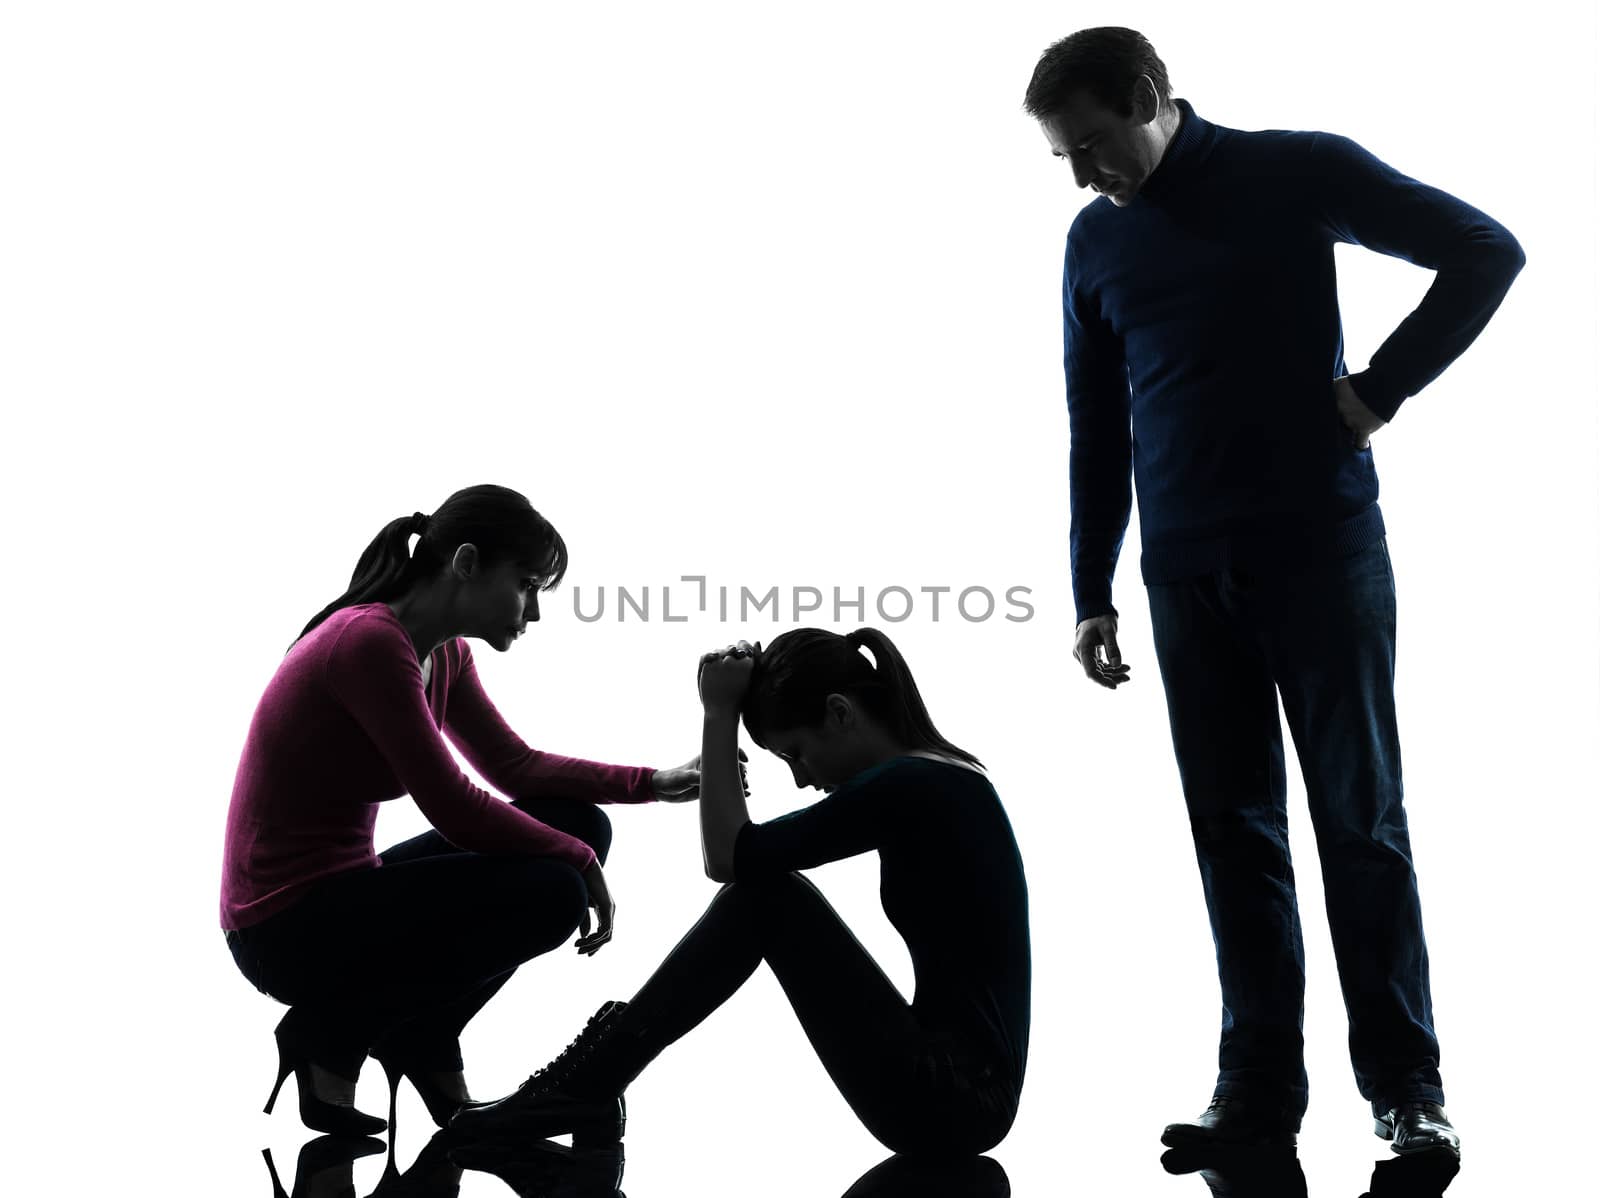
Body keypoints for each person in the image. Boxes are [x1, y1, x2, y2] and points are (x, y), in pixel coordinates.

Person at [1022, 27, 1523, 1156]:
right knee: (1231, 836)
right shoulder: (1092, 243)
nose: (1082, 174)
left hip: (1320, 554)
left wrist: (1378, 391)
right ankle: (1255, 1093)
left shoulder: (1294, 170)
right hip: (1184, 574)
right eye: (1062, 156)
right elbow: (1095, 424)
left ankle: (1408, 1091)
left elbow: (1485, 250)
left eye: (1092, 143)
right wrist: (1089, 587)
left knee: (1359, 821)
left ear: (1150, 97)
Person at [220, 483, 715, 1135]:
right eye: (527, 584)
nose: (533, 611)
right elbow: (453, 804)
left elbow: (515, 767)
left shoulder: (444, 652)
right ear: (466, 563)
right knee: (553, 892)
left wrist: (654, 781)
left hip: (345, 899)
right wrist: (581, 863)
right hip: (282, 929)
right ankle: (330, 1032)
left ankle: (423, 1037)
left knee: (579, 821)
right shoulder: (368, 641)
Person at [449, 628, 1031, 1158]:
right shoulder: (945, 778)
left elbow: (729, 857)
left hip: (954, 1101)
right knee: (769, 894)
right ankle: (589, 1085)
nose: (803, 779)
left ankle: (584, 1087)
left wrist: (719, 712)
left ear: (839, 713)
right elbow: (739, 855)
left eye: (796, 754)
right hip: (956, 1092)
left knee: (767, 898)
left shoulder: (918, 785)